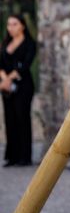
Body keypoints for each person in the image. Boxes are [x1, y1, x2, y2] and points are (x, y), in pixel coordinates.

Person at [0, 14, 37, 167]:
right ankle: (12, 156)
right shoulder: (6, 43)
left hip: (23, 86)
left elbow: (26, 64)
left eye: (14, 24)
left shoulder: (29, 44)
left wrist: (9, 79)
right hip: (6, 87)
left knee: (22, 118)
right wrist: (3, 79)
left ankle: (24, 156)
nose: (11, 27)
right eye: (9, 24)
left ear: (22, 25)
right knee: (10, 119)